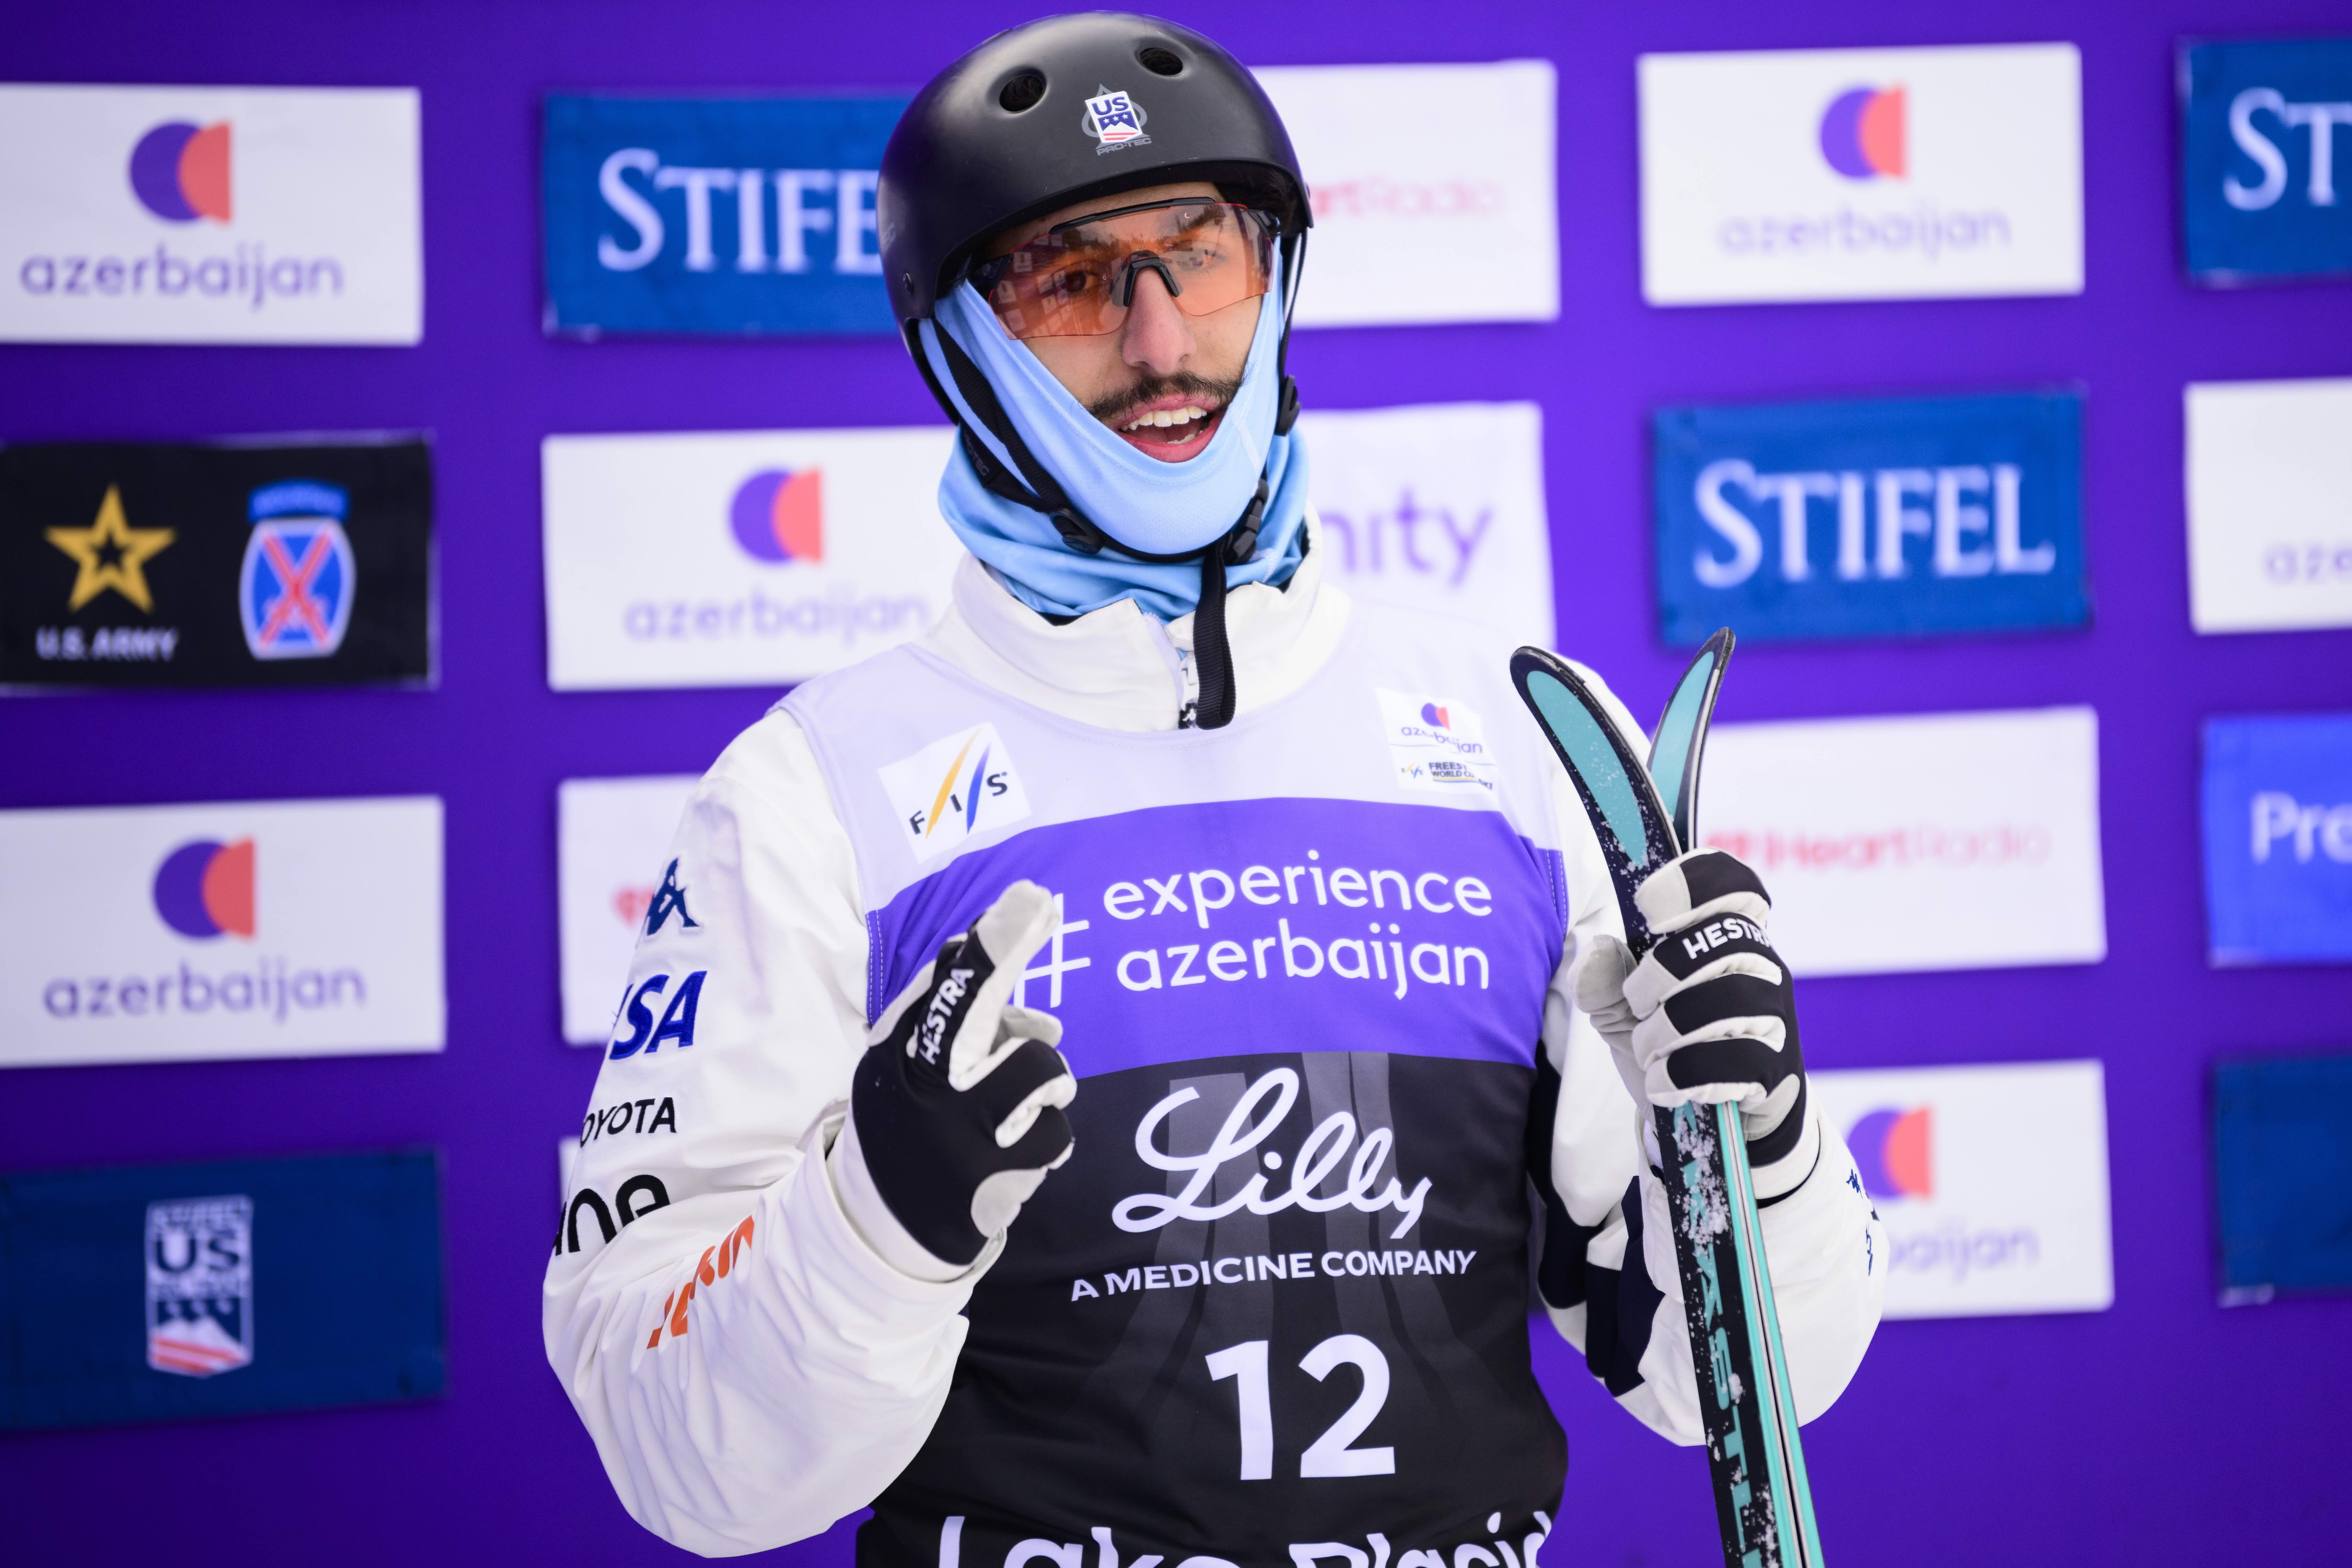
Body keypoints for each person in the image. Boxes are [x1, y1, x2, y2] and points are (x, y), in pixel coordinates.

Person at [544, 15, 1884, 1564]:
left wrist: (1762, 1149)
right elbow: (674, 1455)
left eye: (1202, 255)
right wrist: (871, 1218)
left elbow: (1735, 1386)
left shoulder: (1522, 740)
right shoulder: (809, 796)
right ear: (958, 342)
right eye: (1069, 281)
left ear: (1280, 280)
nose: (1162, 340)